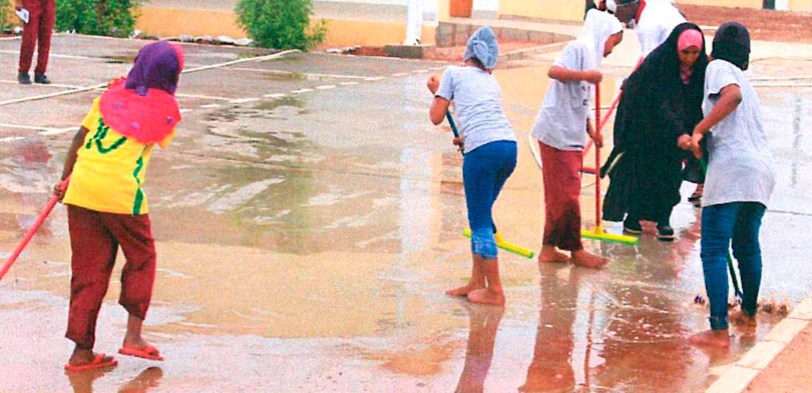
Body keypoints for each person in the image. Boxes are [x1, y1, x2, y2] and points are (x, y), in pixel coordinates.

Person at [54, 41, 185, 371]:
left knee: (88, 270)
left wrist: (65, 178)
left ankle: (81, 354)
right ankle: (133, 338)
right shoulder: (166, 112)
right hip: (121, 195)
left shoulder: (106, 99)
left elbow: (79, 140)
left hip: (81, 187)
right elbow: (152, 128)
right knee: (142, 258)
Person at [688, 22, 775, 348]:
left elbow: (730, 97)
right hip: (761, 171)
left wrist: (699, 128)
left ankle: (718, 330)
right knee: (747, 245)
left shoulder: (719, 68)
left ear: (715, 48)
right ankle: (748, 312)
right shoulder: (746, 80)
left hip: (732, 169)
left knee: (712, 248)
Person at [427, 26, 518, 306]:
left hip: (483, 153)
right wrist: (465, 138)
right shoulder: (492, 82)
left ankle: (496, 291)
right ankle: (477, 282)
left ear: (467, 53)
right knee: (482, 214)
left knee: (479, 222)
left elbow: (435, 116)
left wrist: (437, 92)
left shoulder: (453, 74)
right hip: (507, 148)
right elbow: (483, 117)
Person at [532, 9, 623, 269]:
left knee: (557, 195)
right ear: (603, 35)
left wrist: (591, 130)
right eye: (612, 43)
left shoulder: (592, 58)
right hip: (556, 132)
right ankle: (577, 250)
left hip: (570, 133)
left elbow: (580, 102)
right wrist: (585, 76)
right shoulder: (578, 49)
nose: (611, 50)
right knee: (568, 195)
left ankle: (548, 248)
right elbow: (554, 71)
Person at [602, 23, 708, 241]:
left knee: (669, 175)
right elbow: (658, 102)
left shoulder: (700, 69)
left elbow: (697, 102)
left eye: (695, 53)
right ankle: (633, 218)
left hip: (676, 135)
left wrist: (695, 132)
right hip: (645, 128)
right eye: (685, 52)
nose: (689, 58)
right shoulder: (659, 63)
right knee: (643, 174)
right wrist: (677, 132)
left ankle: (663, 219)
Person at [613, 0, 686, 58]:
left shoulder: (646, 27)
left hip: (682, 57)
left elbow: (650, 62)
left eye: (617, 10)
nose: (616, 16)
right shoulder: (652, 4)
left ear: (629, 6)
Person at [15, 0, 55, 84]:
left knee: (46, 37)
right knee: (30, 38)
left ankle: (40, 72)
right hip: (31, 2)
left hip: (48, 3)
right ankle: (23, 71)